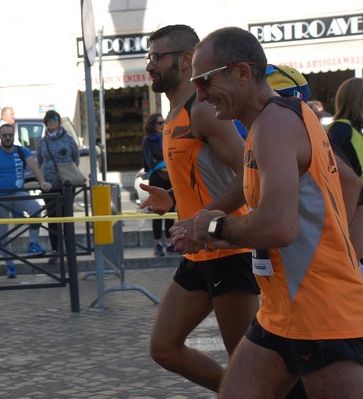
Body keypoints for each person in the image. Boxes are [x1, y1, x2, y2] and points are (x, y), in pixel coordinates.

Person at [189, 26, 363, 398]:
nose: (200, 94)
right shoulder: (272, 122)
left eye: (205, 81)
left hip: (321, 315)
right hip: (280, 315)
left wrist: (213, 228)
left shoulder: (275, 124)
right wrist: (205, 232)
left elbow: (277, 226)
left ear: (241, 73)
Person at [139, 24, 260, 393]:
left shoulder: (203, 111)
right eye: (150, 57)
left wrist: (201, 220)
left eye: (159, 57)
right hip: (197, 256)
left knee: (246, 363)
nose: (150, 66)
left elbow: (249, 175)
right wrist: (175, 201)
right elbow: (205, 178)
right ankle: (237, 392)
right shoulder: (173, 114)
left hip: (229, 252)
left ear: (187, 58)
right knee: (164, 348)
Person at [267, 63, 363, 399]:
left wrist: (340, 264)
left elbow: (360, 205)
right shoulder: (274, 139)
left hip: (335, 294)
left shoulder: (324, 136)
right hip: (296, 296)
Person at [0, 123, 50, 278]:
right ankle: (10, 266)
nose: (7, 138)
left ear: (14, 136)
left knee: (36, 210)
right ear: (0, 137)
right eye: (4, 135)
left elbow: (35, 168)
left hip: (18, 194)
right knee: (3, 233)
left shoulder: (22, 151)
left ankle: (33, 244)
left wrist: (42, 182)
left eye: (10, 135)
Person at [35, 110, 80, 264]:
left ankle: (69, 251)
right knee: (53, 219)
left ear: (59, 121)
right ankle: (55, 250)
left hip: (66, 185)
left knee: (67, 217)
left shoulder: (68, 140)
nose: (52, 121)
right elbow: (40, 161)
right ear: (45, 122)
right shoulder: (42, 142)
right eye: (49, 119)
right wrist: (46, 177)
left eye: (55, 118)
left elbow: (75, 158)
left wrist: (67, 173)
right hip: (49, 185)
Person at [327, 78, 363, 195]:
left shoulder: (353, 128)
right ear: (358, 97)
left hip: (361, 199)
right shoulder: (341, 129)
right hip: (350, 201)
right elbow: (333, 168)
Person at [141, 113, 175, 256]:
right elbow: (149, 161)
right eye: (160, 123)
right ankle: (158, 244)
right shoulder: (148, 141)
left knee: (170, 211)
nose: (163, 125)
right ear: (153, 125)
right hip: (156, 179)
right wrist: (163, 168)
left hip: (170, 179)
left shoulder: (169, 136)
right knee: (157, 211)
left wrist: (167, 168)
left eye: (164, 122)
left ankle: (169, 243)